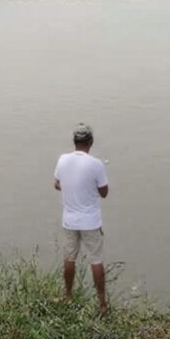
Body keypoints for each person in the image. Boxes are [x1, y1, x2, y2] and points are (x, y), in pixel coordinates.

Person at [54, 123, 110, 314]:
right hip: (91, 222)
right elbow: (104, 192)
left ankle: (68, 295)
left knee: (70, 258)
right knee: (96, 260)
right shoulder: (96, 164)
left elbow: (57, 184)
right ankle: (102, 304)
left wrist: (71, 187)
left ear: (74, 141)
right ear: (90, 142)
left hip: (69, 220)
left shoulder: (62, 160)